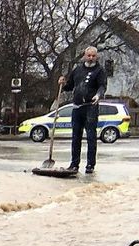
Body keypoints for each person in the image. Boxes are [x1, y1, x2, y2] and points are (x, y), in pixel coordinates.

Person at [58, 46, 108, 174]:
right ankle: (74, 164)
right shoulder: (77, 70)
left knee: (91, 136)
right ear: (85, 56)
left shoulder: (100, 70)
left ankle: (90, 165)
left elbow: (102, 86)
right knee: (75, 137)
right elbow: (69, 86)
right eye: (88, 55)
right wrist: (63, 83)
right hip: (77, 107)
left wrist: (98, 95)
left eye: (93, 56)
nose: (91, 58)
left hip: (90, 107)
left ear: (96, 57)